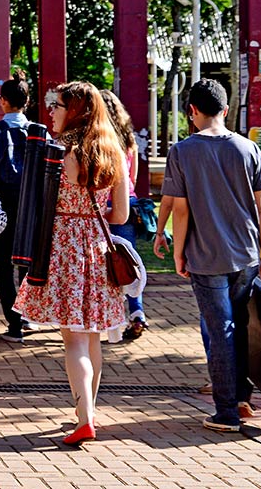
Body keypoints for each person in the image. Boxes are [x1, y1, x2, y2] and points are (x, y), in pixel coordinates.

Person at [14, 81, 129, 446]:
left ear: (74, 110)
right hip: (96, 247)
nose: (51, 111)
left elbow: (39, 203)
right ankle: (88, 411)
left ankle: (84, 418)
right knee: (91, 336)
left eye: (57, 105)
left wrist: (71, 215)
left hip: (63, 246)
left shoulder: (61, 152)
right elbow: (121, 214)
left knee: (73, 341)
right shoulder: (114, 152)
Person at [163, 79, 261, 433]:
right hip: (247, 254)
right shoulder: (248, 148)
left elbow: (181, 211)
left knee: (221, 330)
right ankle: (241, 397)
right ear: (226, 111)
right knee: (240, 326)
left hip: (205, 255)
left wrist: (178, 253)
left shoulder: (182, 151)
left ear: (192, 111)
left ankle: (226, 411)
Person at [0, 74, 31, 342]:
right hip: (30, 207)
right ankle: (26, 316)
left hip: (2, 205)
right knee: (26, 264)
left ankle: (13, 323)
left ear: (3, 102)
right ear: (27, 101)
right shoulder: (39, 130)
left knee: (3, 265)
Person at [98, 89, 149, 340]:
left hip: (103, 204)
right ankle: (137, 311)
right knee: (127, 261)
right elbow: (133, 177)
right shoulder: (129, 140)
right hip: (128, 202)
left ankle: (110, 318)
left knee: (104, 265)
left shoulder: (99, 141)